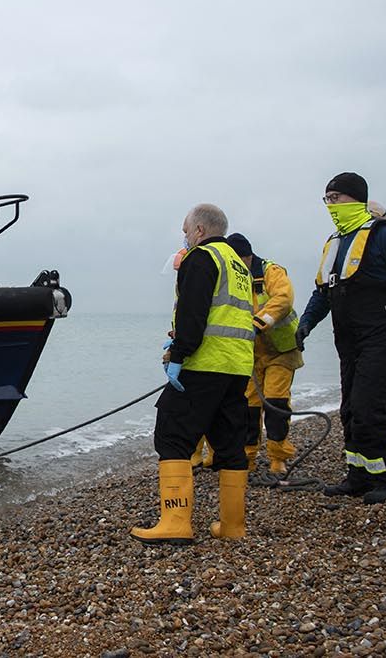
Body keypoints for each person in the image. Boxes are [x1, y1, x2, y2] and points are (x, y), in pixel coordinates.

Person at [297, 173, 386, 504]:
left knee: (371, 409)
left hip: (383, 339)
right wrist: (306, 325)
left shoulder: (385, 238)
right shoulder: (335, 244)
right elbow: (323, 293)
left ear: (355, 199)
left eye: (335, 198)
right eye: (326, 199)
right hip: (349, 342)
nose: (330, 205)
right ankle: (358, 476)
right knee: (351, 410)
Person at [132, 203, 255, 545]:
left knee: (172, 435)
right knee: (229, 443)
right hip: (236, 366)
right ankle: (233, 526)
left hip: (204, 365)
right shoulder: (238, 265)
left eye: (185, 230)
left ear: (200, 230)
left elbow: (193, 312)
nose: (184, 236)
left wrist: (180, 353)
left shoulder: (202, 258)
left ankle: (175, 522)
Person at [225, 233, 304, 476]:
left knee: (275, 401)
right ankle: (247, 455)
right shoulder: (231, 278)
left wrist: (258, 323)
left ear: (246, 257)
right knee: (248, 405)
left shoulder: (272, 272)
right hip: (250, 354)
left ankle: (278, 456)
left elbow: (283, 299)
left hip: (281, 350)